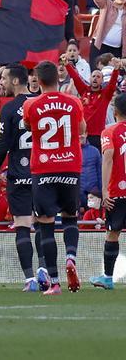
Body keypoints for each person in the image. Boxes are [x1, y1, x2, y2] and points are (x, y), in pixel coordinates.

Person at [22, 61, 85, 295]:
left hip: (43, 169)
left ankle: (56, 282)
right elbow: (82, 129)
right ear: (58, 80)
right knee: (70, 217)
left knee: (45, 225)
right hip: (70, 166)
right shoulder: (74, 102)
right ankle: (71, 257)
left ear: (38, 81)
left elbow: (29, 127)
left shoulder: (31, 104)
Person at [0, 65, 42, 291]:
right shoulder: (39, 105)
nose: (1, 82)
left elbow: (2, 146)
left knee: (21, 225)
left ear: (17, 81)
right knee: (42, 224)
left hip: (18, 175)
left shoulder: (9, 110)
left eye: (4, 78)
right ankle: (46, 271)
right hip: (41, 174)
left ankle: (30, 279)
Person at [93, 93, 126, 289]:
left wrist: (104, 190)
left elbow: (108, 157)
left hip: (117, 191)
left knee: (112, 233)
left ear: (115, 111)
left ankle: (107, 278)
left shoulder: (109, 131)